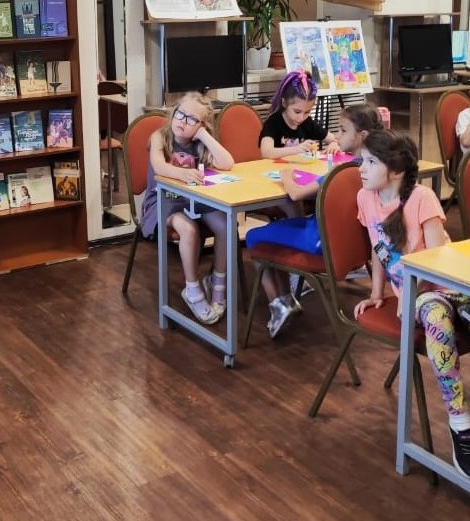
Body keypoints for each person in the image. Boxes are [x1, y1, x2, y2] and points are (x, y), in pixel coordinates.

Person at [353, 130, 470, 488]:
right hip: (425, 296)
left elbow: (436, 264)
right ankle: (461, 427)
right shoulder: (365, 198)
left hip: (452, 283)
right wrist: (377, 292)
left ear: (396, 171)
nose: (360, 168)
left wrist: (409, 297)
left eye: (370, 162)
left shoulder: (422, 197)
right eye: (362, 161)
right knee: (437, 326)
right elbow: (377, 249)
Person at [245, 102, 383, 338]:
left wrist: (286, 176)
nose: (337, 135)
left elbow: (296, 194)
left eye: (342, 130)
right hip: (351, 246)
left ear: (362, 136)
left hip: (320, 242)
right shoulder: (375, 168)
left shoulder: (342, 172)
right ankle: (287, 299)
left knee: (254, 237)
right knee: (279, 229)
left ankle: (279, 305)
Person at [140, 92, 235, 324]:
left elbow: (227, 163)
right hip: (163, 200)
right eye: (180, 114)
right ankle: (192, 289)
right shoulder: (160, 137)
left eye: (192, 119)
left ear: (202, 125)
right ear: (173, 113)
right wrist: (183, 174)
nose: (183, 121)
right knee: (189, 229)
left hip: (193, 199)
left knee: (226, 225)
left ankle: (217, 282)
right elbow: (159, 167)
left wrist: (203, 135)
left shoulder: (199, 142)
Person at [259, 69, 339, 159]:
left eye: (307, 112)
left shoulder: (307, 122)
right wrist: (296, 149)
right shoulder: (273, 123)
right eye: (297, 112)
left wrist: (333, 144)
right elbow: (266, 152)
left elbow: (333, 139)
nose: (301, 118)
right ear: (284, 102)